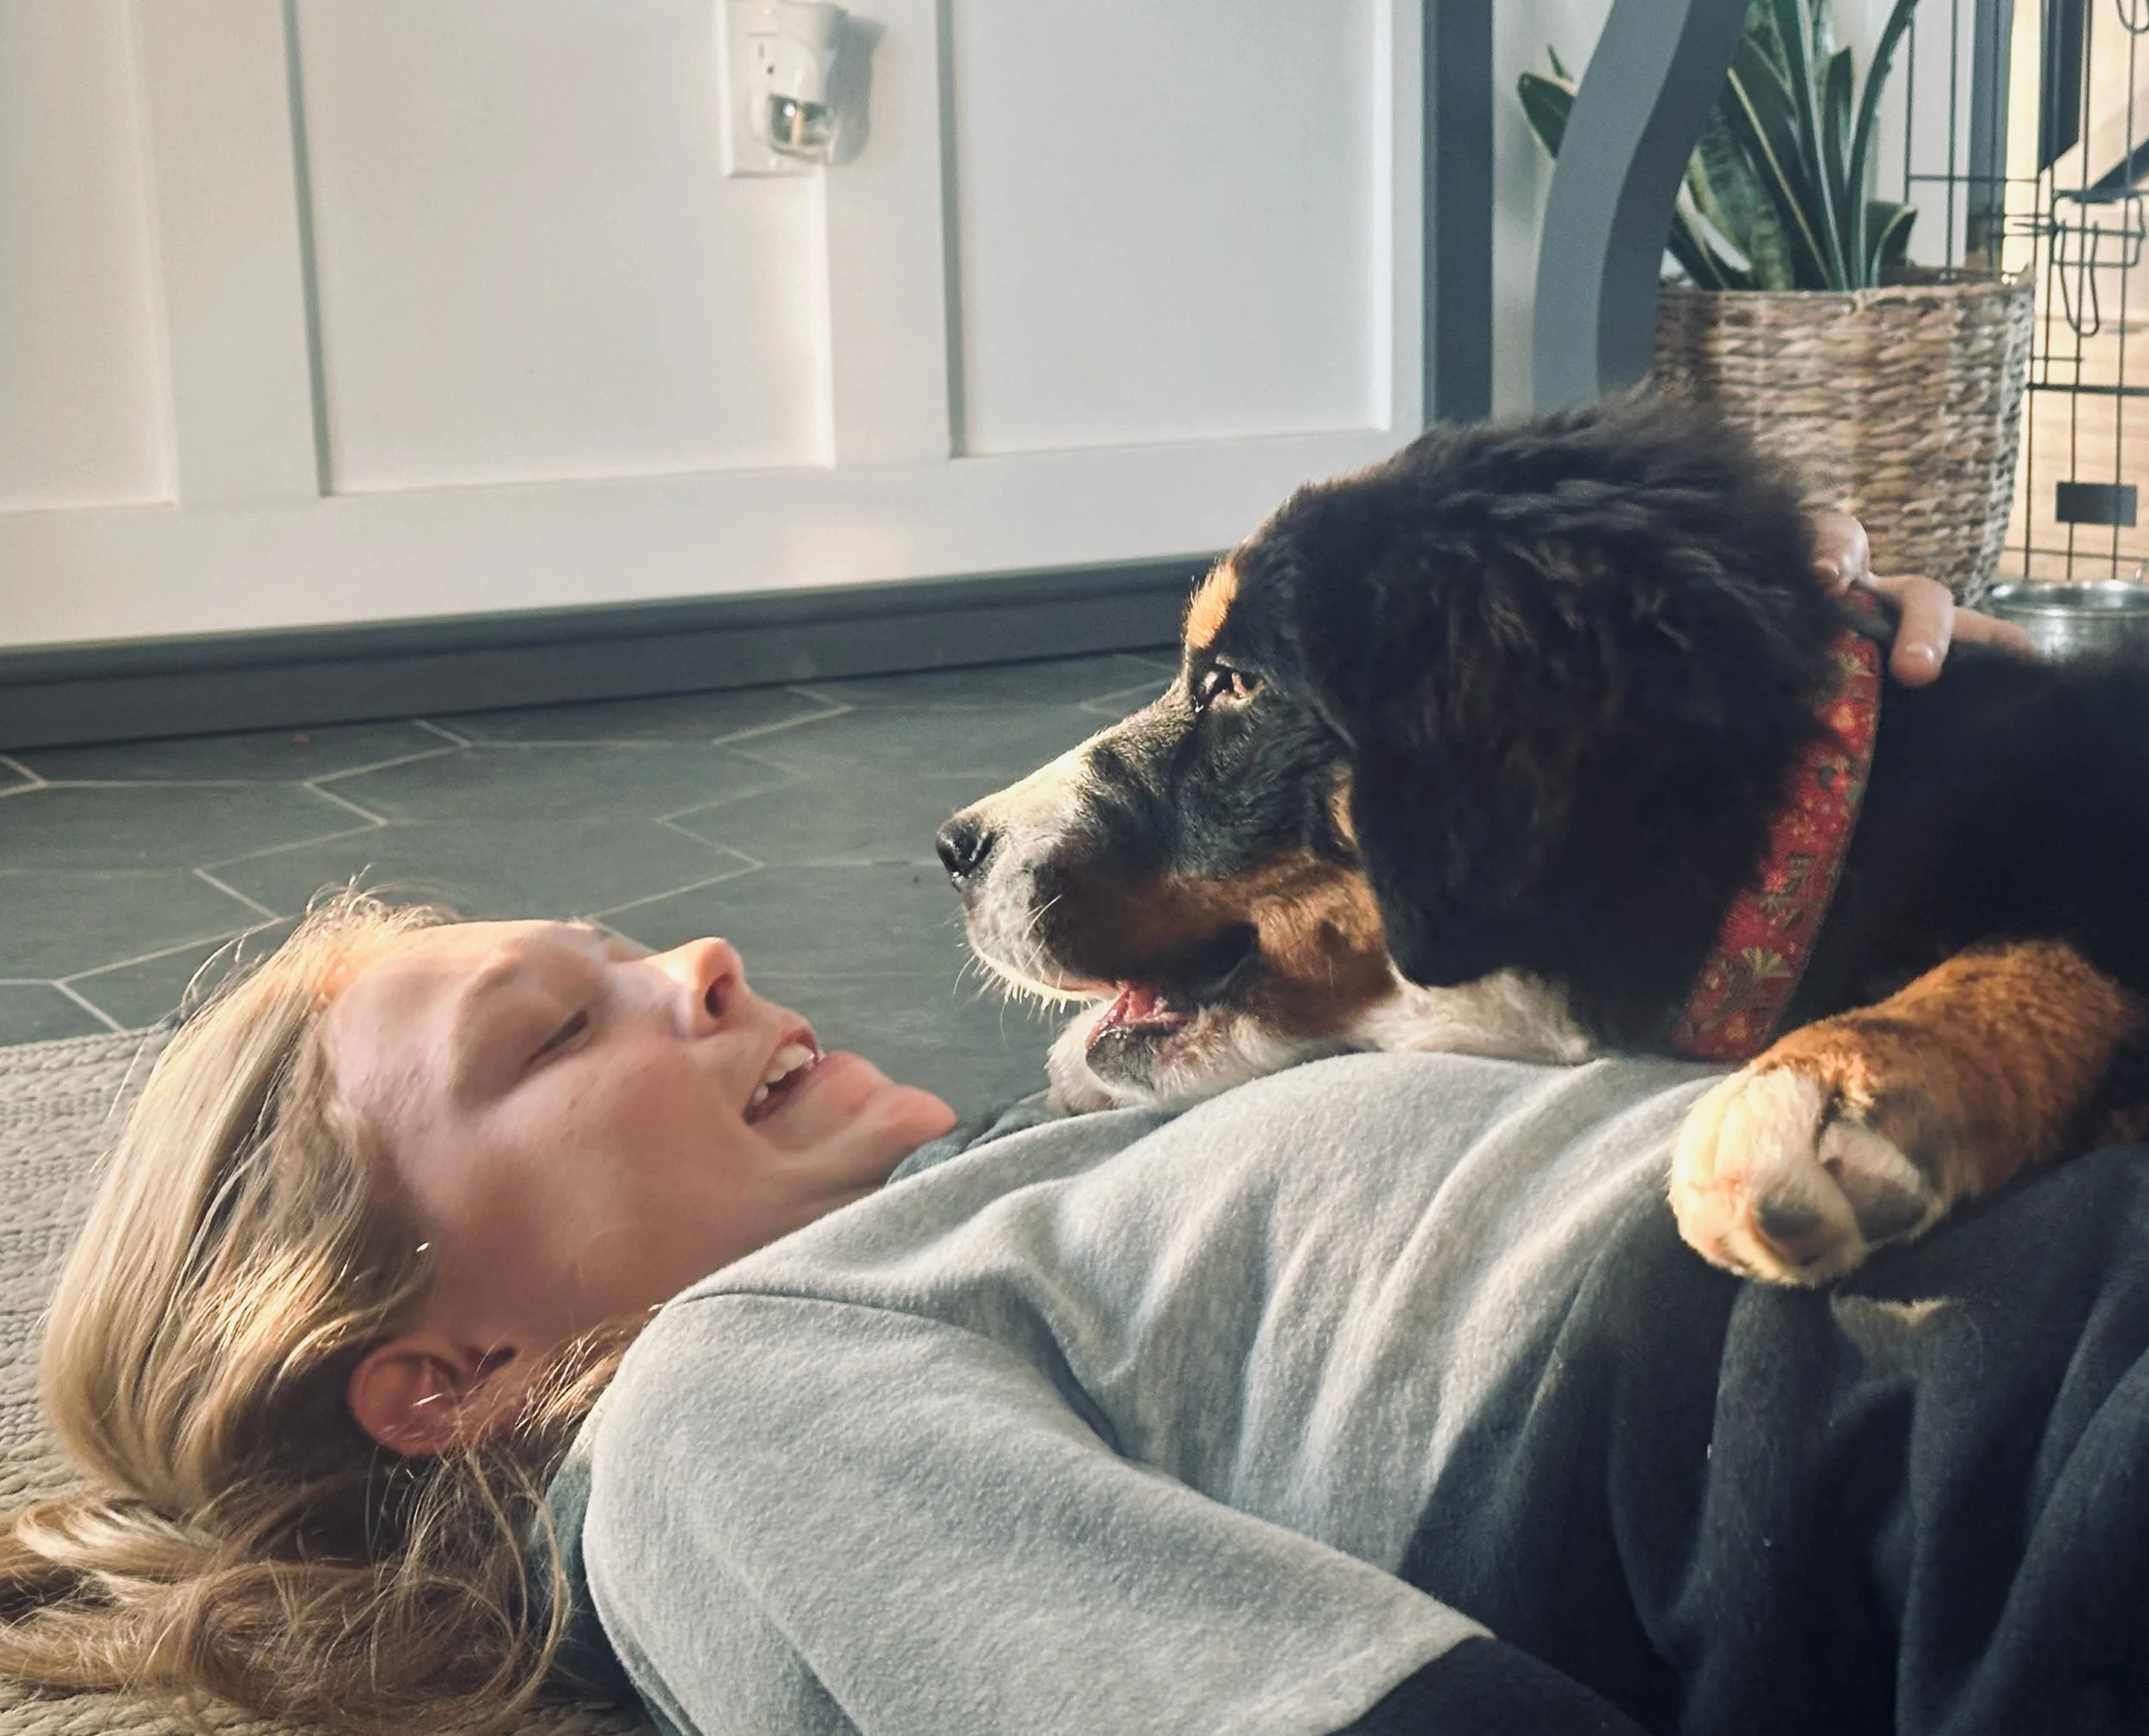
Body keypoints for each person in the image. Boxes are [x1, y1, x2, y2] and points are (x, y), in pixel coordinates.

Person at [0, 564, 2095, 1736]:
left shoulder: (1057, 1137)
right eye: (555, 1028)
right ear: (452, 1373)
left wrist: (1770, 715)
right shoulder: (721, 1423)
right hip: (1980, 1423)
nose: (698, 958)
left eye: (625, 943)